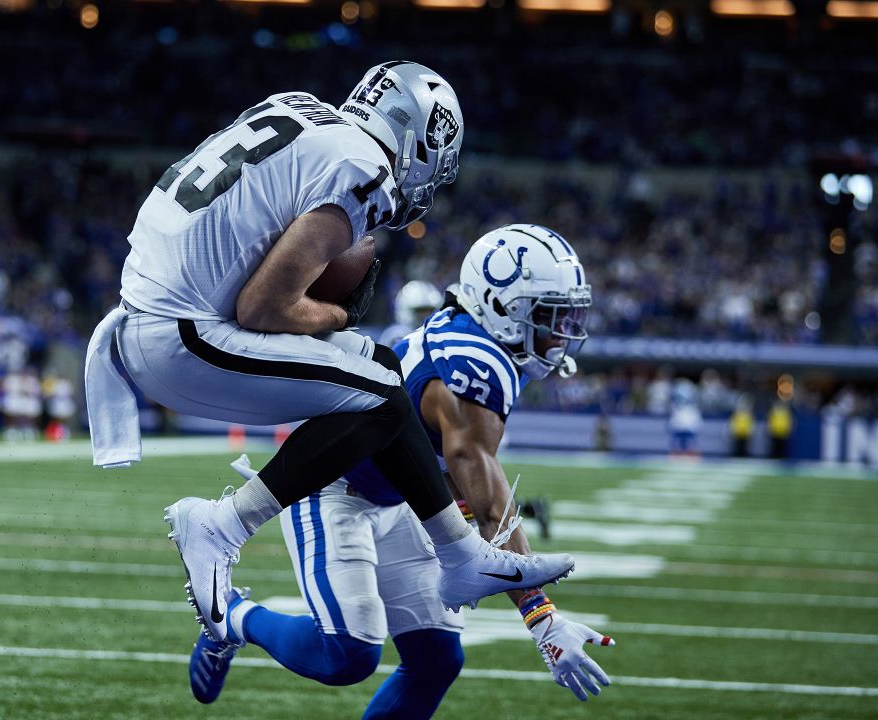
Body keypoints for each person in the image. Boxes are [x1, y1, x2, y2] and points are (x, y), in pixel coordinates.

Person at [85, 62, 575, 641]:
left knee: (384, 372)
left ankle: (461, 556)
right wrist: (337, 314)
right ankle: (219, 524)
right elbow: (264, 308)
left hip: (158, 313)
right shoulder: (364, 168)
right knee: (378, 395)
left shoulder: (296, 106)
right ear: (418, 136)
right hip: (179, 335)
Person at [188, 225, 612, 715]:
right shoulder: (472, 363)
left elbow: (462, 486)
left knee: (436, 657)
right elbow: (492, 505)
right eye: (549, 316)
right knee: (348, 654)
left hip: (400, 496)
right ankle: (232, 618)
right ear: (503, 307)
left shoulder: (483, 346)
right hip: (335, 485)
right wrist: (542, 620)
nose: (561, 332)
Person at [379, 279, 443, 347]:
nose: (425, 316)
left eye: (429, 311)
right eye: (420, 311)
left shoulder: (436, 335)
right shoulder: (396, 337)